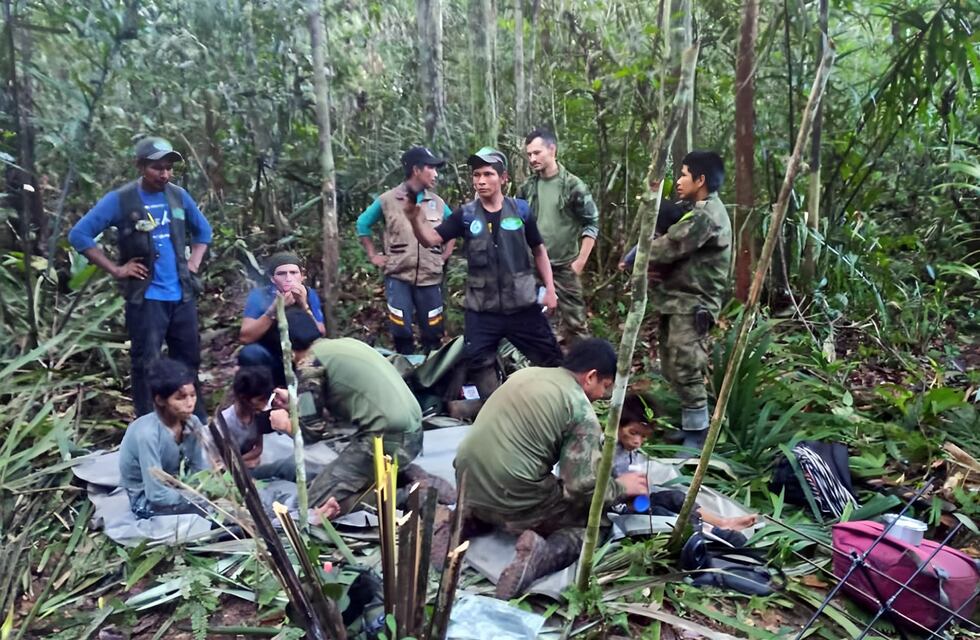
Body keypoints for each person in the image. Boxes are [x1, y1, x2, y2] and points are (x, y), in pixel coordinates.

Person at [452, 338, 649, 600]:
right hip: (512, 495)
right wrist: (621, 486)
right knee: (594, 524)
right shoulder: (580, 410)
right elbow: (580, 487)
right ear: (590, 376)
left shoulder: (525, 374)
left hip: (465, 481)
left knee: (523, 482)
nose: (602, 396)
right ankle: (540, 556)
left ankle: (465, 519)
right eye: (605, 386)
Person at [69, 137, 212, 419]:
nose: (165, 174)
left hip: (181, 294)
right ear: (140, 166)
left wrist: (193, 263)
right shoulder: (121, 199)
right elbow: (79, 235)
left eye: (169, 168)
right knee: (147, 363)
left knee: (189, 359)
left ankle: (195, 419)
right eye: (157, 168)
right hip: (146, 298)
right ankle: (150, 423)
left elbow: (203, 232)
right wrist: (117, 269)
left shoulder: (178, 196)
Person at [405, 146, 562, 399]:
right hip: (482, 309)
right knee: (477, 359)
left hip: (522, 305)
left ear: (503, 178)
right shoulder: (465, 215)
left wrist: (550, 289)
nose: (480, 181)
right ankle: (498, 408)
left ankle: (555, 406)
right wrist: (414, 218)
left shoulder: (521, 210)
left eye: (488, 174)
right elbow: (430, 239)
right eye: (476, 175)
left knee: (551, 359)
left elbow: (539, 250)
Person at [269, 334, 439, 515]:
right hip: (411, 433)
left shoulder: (310, 364)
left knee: (312, 506)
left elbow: (311, 433)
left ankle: (407, 496)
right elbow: (341, 405)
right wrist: (298, 404)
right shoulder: (343, 345)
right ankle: (401, 477)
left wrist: (286, 425)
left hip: (387, 440)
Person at [646, 151, 732, 450]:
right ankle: (689, 426)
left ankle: (698, 435)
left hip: (693, 304)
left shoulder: (705, 216)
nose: (679, 181)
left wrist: (638, 254)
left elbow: (667, 247)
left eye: (684, 175)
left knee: (687, 365)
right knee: (672, 365)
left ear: (701, 180)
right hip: (678, 300)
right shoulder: (697, 209)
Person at [356, 147, 456, 354]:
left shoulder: (437, 203)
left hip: (430, 277)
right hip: (398, 275)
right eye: (431, 168)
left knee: (433, 329)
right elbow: (362, 224)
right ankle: (405, 370)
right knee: (400, 328)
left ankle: (432, 372)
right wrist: (373, 255)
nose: (436, 174)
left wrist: (445, 254)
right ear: (416, 170)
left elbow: (453, 227)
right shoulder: (388, 200)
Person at [612, 394, 757, 530]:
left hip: (635, 502)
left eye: (644, 436)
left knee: (676, 498)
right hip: (615, 508)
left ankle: (721, 523)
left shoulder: (629, 452)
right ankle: (707, 532)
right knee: (660, 514)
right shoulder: (604, 452)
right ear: (617, 425)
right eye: (633, 433)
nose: (637, 441)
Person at [519, 128, 600, 345]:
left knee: (576, 324)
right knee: (534, 322)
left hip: (565, 267)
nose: (532, 159)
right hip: (534, 267)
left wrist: (580, 262)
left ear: (552, 149)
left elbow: (591, 223)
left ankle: (583, 371)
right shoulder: (527, 188)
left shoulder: (574, 186)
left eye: (537, 153)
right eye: (529, 155)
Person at [118, 358, 210, 518]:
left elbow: (200, 469)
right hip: (146, 499)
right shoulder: (148, 434)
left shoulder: (192, 422)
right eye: (180, 398)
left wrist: (207, 489)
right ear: (160, 400)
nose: (190, 403)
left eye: (193, 395)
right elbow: (156, 494)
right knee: (208, 517)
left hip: (180, 487)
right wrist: (197, 498)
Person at [239, 252, 326, 385]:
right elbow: (245, 337)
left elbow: (320, 333)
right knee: (250, 354)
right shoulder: (260, 296)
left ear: (302, 276)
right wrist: (273, 310)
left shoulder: (309, 294)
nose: (288, 278)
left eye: (293, 273)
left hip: (302, 356)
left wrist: (304, 305)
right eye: (281, 274)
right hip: (272, 356)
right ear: (272, 278)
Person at [217, 366, 297, 481]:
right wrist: (242, 463)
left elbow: (258, 449)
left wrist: (242, 461)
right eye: (260, 400)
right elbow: (221, 464)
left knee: (289, 466)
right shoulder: (225, 423)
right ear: (243, 398)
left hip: (250, 467)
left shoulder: (257, 415)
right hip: (233, 477)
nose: (265, 405)